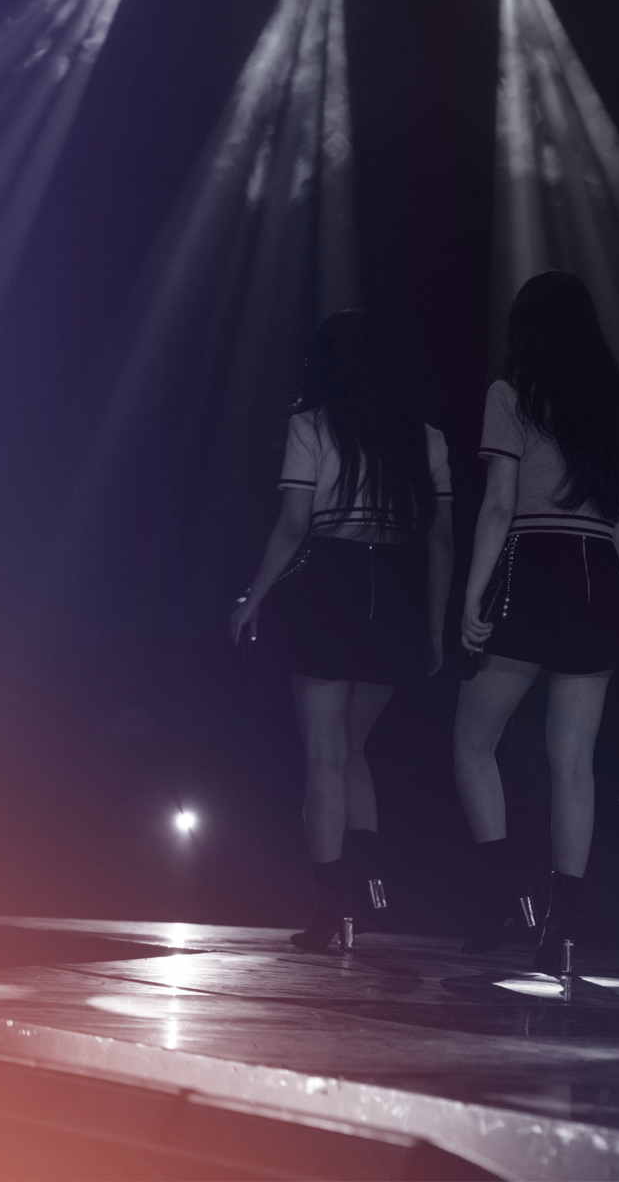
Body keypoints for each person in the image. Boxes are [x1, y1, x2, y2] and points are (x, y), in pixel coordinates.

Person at [230, 310, 452, 950]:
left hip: (331, 585)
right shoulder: (426, 439)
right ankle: (369, 889)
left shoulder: (311, 426)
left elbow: (293, 526)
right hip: (396, 592)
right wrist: (435, 628)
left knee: (325, 755)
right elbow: (442, 541)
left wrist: (253, 599)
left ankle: (330, 910)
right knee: (354, 750)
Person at [454, 271, 619, 976]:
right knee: (575, 764)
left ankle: (507, 898)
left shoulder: (512, 396)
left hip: (534, 565)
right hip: (599, 571)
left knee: (473, 738)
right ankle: (563, 927)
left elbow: (500, 507)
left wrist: (472, 596)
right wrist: (612, 603)